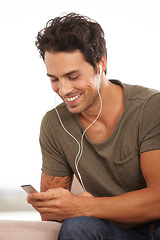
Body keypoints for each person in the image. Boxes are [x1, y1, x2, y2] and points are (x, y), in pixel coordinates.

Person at [27, 13, 160, 239]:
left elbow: (158, 200)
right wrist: (52, 205)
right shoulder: (54, 124)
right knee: (76, 228)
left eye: (72, 76)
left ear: (101, 63)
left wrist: (84, 206)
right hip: (112, 231)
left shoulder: (150, 107)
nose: (64, 89)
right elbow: (52, 217)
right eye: (54, 79)